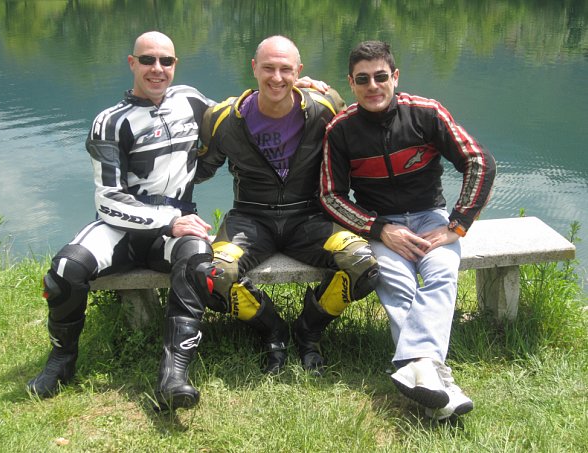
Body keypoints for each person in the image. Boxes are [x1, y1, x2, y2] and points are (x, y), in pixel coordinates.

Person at [26, 31, 221, 411]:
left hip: (176, 222)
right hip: (122, 227)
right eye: (147, 60)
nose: (157, 68)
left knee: (198, 260)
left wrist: (303, 86)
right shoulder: (110, 122)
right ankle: (62, 360)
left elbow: (242, 115)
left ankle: (174, 374)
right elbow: (108, 199)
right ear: (132, 63)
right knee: (64, 271)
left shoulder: (192, 100)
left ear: (175, 65)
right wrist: (168, 222)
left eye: (166, 61)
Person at [320, 41, 496, 420]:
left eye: (380, 76)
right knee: (396, 283)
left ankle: (418, 374)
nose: (373, 86)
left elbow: (479, 161)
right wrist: (379, 229)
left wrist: (457, 224)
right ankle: (439, 387)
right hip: (380, 225)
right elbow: (330, 195)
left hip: (431, 218)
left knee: (442, 273)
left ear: (395, 77)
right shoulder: (340, 130)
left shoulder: (426, 113)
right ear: (351, 83)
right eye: (363, 79)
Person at [195, 35, 379, 376]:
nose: (277, 78)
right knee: (214, 275)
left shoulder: (325, 105)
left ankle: (309, 329)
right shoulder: (222, 118)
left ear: (299, 71)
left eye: (285, 69)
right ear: (254, 68)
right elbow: (196, 172)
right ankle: (273, 330)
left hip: (308, 217)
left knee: (362, 263)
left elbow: (363, 130)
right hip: (250, 218)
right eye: (268, 68)